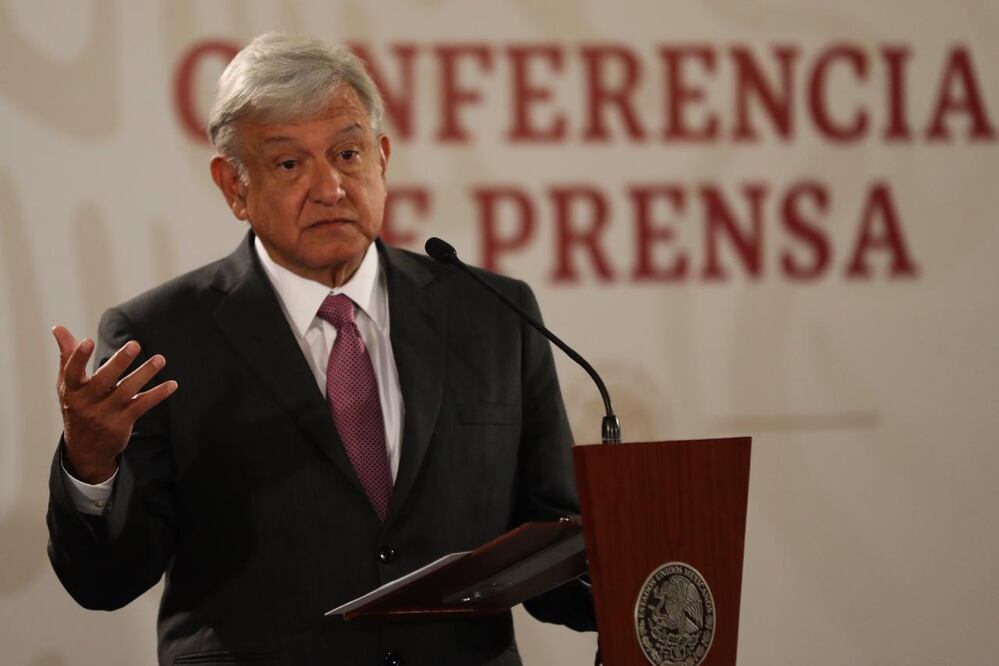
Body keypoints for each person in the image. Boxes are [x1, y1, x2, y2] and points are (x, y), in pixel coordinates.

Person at [46, 33, 594, 665]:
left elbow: (553, 553)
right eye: (288, 164)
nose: (330, 187)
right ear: (233, 186)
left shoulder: (492, 315)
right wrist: (91, 471)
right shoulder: (163, 337)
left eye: (348, 153)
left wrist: (645, 574)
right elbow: (106, 581)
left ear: (382, 160)